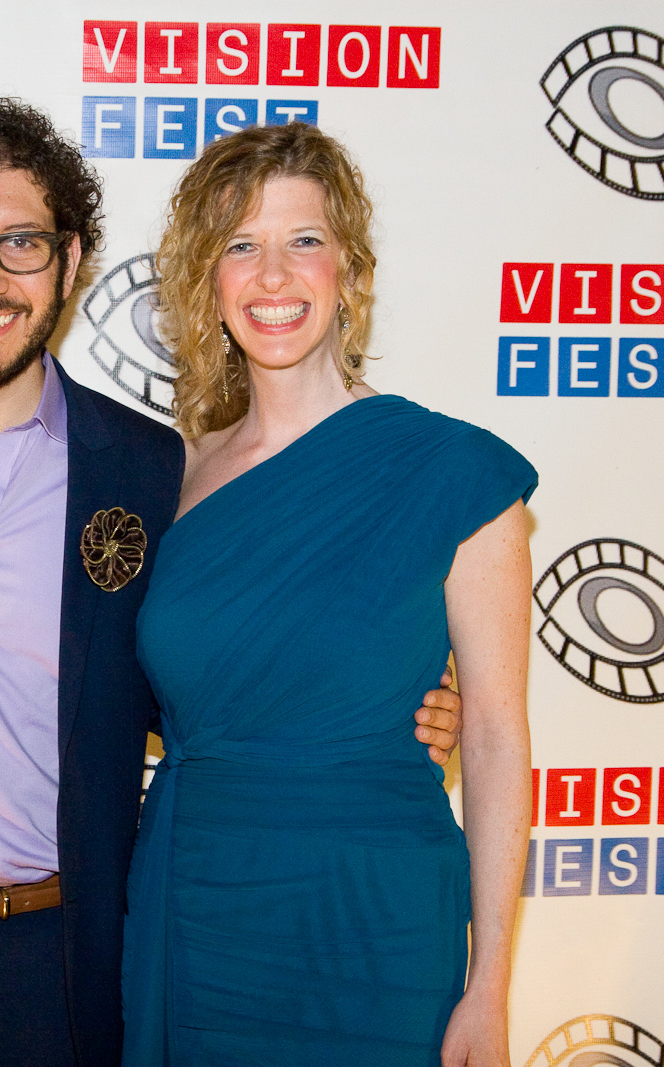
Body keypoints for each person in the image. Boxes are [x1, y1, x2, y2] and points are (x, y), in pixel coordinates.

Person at [0, 100, 464, 1067]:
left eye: (23, 244)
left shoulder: (145, 466)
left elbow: (205, 669)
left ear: (71, 261)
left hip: (71, 966)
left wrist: (390, 708)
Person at [121, 123, 535, 1066]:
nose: (274, 276)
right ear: (205, 280)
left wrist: (491, 986)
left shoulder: (454, 472)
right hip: (196, 902)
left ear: (348, 267)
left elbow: (501, 737)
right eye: (240, 246)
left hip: (377, 918)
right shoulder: (165, 479)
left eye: (303, 240)